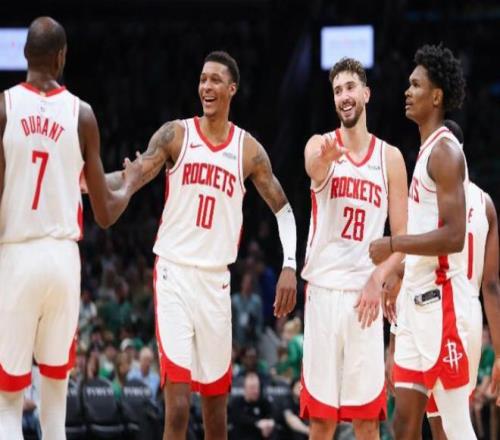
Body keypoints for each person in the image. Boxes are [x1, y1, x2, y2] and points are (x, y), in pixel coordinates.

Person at [107, 50, 297, 440]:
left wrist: (290, 264)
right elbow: (135, 173)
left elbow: (284, 209)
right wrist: (89, 181)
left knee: (216, 415)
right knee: (177, 408)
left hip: (216, 283)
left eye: (215, 80)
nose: (206, 87)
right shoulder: (176, 134)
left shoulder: (248, 150)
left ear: (232, 89)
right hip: (174, 274)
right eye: (202, 79)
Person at [0, 17, 140, 440]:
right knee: (55, 407)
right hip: (63, 261)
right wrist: (131, 182)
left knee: (8, 404)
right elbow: (104, 213)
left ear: (25, 54)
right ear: (62, 57)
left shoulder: (4, 107)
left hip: (17, 256)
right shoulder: (83, 114)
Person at [369, 44, 475, 440]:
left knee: (455, 425)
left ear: (437, 96)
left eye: (416, 85)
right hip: (414, 305)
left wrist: (394, 244)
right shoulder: (426, 150)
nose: (407, 91)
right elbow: (428, 227)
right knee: (404, 423)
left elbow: (454, 237)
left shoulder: (445, 152)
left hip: (441, 304)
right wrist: (400, 270)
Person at [300, 57, 408, 439]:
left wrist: (379, 278)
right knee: (321, 420)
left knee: (366, 420)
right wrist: (324, 161)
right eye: (337, 91)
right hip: (324, 293)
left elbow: (402, 239)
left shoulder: (390, 158)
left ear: (366, 94)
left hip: (366, 298)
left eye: (350, 88)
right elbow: (313, 166)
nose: (344, 96)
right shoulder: (320, 144)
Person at [423, 121, 500, 439]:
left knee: (445, 423)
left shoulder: (431, 199)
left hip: (440, 311)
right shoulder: (486, 203)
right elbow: (491, 286)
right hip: (470, 315)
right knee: (450, 419)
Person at [229, 372, 276, 440]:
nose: (256, 391)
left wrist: (269, 426)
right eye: (252, 388)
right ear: (245, 388)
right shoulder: (237, 403)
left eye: (257, 387)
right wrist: (257, 422)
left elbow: (271, 417)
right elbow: (240, 418)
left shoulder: (264, 403)